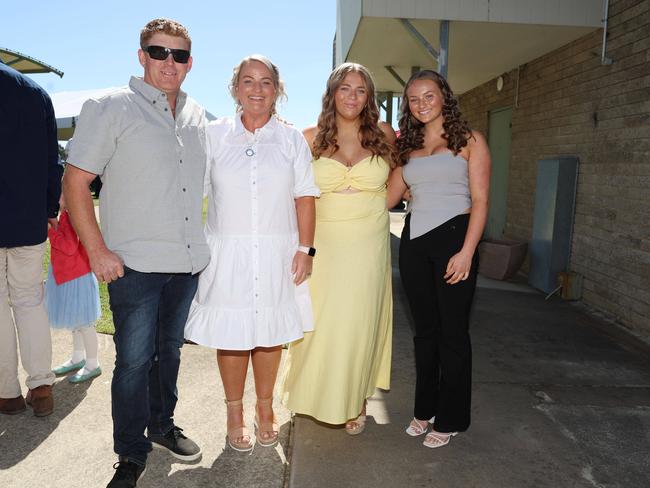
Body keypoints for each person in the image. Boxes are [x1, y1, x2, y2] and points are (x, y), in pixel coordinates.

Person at [63, 18, 209, 487]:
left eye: (179, 55)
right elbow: (76, 181)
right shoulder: (109, 108)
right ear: (142, 55)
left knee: (169, 354)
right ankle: (130, 452)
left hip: (185, 266)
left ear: (190, 62)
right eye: (159, 52)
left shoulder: (196, 115)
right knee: (132, 362)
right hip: (134, 268)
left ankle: (162, 426)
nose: (170, 62)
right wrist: (97, 250)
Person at [184, 54, 319, 452]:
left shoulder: (292, 139)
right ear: (235, 88)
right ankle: (232, 411)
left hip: (279, 252)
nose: (256, 89)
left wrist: (305, 249)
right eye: (248, 81)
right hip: (226, 254)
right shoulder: (213, 135)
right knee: (232, 336)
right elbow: (192, 194)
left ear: (277, 91)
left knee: (269, 336)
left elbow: (306, 197)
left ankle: (264, 408)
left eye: (265, 82)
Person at [280, 62, 395, 435]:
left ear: (369, 97)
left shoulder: (383, 135)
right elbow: (291, 195)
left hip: (369, 245)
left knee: (361, 323)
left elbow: (401, 182)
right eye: (345, 88)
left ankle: (356, 399)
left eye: (361, 90)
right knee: (322, 322)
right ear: (331, 93)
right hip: (324, 245)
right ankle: (310, 393)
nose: (352, 96)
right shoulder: (309, 137)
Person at [387, 70, 491, 448]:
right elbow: (387, 197)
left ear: (444, 96)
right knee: (424, 333)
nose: (421, 104)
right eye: (413, 99)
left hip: (455, 241)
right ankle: (424, 409)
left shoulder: (470, 140)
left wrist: (467, 251)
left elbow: (480, 201)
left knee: (453, 333)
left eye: (428, 96)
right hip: (414, 243)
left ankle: (450, 418)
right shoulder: (407, 146)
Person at [0, 61, 61, 418]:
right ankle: (41, 386)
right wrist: (50, 205)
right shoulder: (34, 92)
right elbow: (51, 160)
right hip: (28, 219)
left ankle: (7, 393)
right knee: (30, 300)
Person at [46, 196, 102, 384]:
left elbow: (69, 247)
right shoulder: (67, 215)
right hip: (68, 275)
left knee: (84, 324)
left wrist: (50, 232)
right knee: (76, 322)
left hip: (76, 277)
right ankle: (78, 357)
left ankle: (93, 363)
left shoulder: (71, 217)